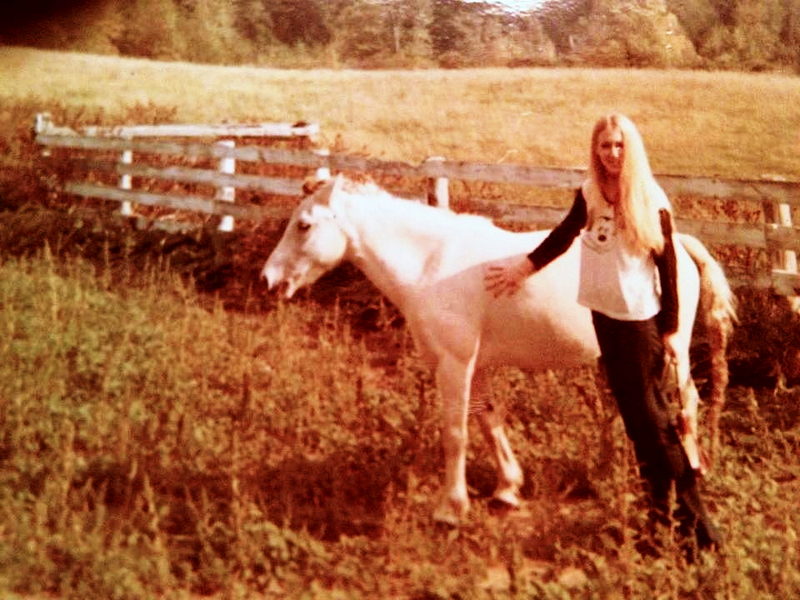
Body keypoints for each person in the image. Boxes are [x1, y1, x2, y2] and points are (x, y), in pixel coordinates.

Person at [485, 113, 721, 557]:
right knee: (637, 426)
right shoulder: (591, 192)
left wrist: (670, 329)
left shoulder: (649, 197)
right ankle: (661, 521)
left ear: (631, 148)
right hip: (604, 318)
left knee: (656, 425)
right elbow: (562, 235)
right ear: (594, 150)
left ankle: (701, 532)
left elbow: (668, 264)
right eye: (604, 146)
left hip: (638, 322)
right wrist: (523, 267)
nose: (611, 154)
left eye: (619, 146)